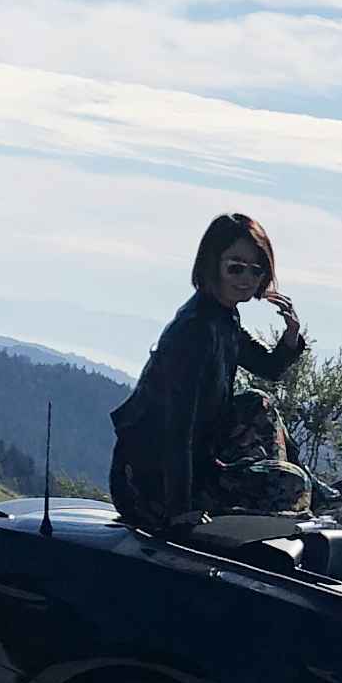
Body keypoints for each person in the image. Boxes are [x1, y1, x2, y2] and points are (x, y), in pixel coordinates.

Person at [106, 212, 315, 533]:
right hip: (147, 485)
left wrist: (291, 335)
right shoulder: (195, 330)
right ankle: (292, 501)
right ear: (212, 263)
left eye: (256, 269)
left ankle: (307, 492)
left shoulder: (223, 318)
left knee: (257, 403)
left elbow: (268, 367)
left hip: (196, 466)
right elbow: (176, 428)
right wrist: (180, 512)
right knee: (290, 485)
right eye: (236, 267)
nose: (246, 278)